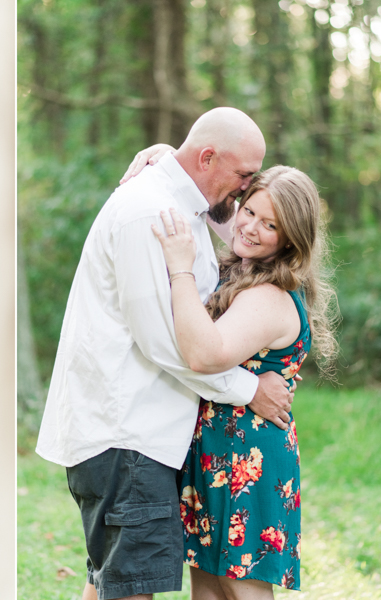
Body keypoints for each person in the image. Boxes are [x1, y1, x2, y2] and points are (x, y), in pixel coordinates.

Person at [35, 107, 296, 600]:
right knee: (131, 588)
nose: (243, 190)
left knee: (113, 582)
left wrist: (167, 158)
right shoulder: (150, 212)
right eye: (242, 176)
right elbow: (169, 343)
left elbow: (259, 236)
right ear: (207, 158)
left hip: (141, 436)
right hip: (128, 435)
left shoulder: (185, 209)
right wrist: (249, 389)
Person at [151, 165, 336, 598]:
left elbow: (205, 355)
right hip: (214, 452)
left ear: (290, 238)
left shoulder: (268, 297)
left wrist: (181, 270)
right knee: (209, 584)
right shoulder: (249, 268)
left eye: (270, 224)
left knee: (240, 584)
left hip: (246, 459)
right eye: (249, 211)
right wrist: (167, 157)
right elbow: (218, 211)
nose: (251, 228)